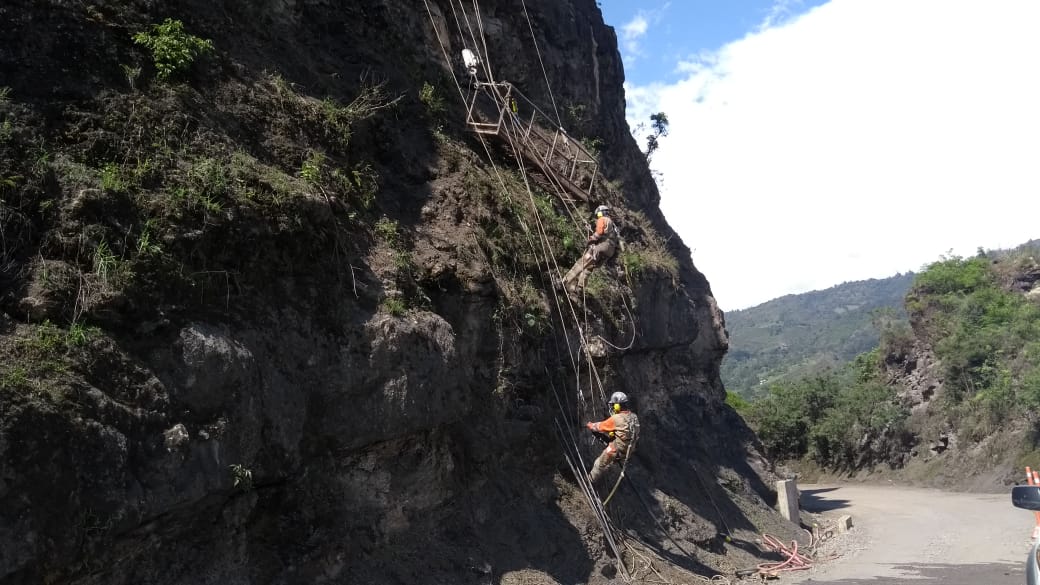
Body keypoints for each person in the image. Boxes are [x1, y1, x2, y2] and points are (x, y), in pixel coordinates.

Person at [561, 204, 618, 294]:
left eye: (598, 215)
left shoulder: (603, 219)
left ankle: (564, 282)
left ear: (602, 213)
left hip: (602, 247)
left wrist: (591, 240)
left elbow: (599, 232)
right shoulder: (613, 227)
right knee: (588, 268)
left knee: (582, 263)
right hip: (609, 251)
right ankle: (578, 288)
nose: (598, 217)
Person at [585, 391, 639, 483]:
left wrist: (590, 425)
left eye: (613, 405)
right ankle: (609, 467)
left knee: (599, 463)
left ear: (617, 405)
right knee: (610, 456)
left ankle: (589, 481)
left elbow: (600, 427)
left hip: (616, 450)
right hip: (629, 451)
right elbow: (628, 432)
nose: (613, 407)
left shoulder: (617, 418)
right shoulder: (634, 417)